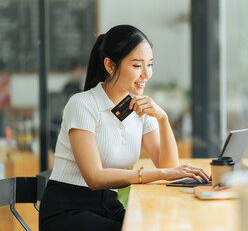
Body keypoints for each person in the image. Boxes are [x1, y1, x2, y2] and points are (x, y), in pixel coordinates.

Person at [39, 25, 210, 231]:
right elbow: (94, 178)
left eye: (150, 64)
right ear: (110, 66)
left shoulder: (140, 107)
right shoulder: (82, 104)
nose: (146, 74)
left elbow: (168, 165)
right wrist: (156, 174)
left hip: (109, 206)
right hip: (68, 211)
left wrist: (162, 118)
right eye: (137, 66)